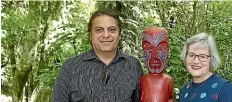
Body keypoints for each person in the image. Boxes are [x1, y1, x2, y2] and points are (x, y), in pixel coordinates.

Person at [51, 10, 143, 102]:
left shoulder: (133, 65)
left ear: (119, 35)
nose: (106, 35)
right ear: (90, 36)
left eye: (112, 30)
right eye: (99, 30)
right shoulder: (70, 67)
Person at [179, 33, 232, 102]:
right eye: (191, 55)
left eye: (202, 56)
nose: (196, 61)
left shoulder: (224, 89)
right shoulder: (185, 90)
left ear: (211, 59)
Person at [140, 26, 174, 102]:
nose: (154, 55)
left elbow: (171, 98)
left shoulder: (168, 80)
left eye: (161, 47)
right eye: (148, 47)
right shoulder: (143, 79)